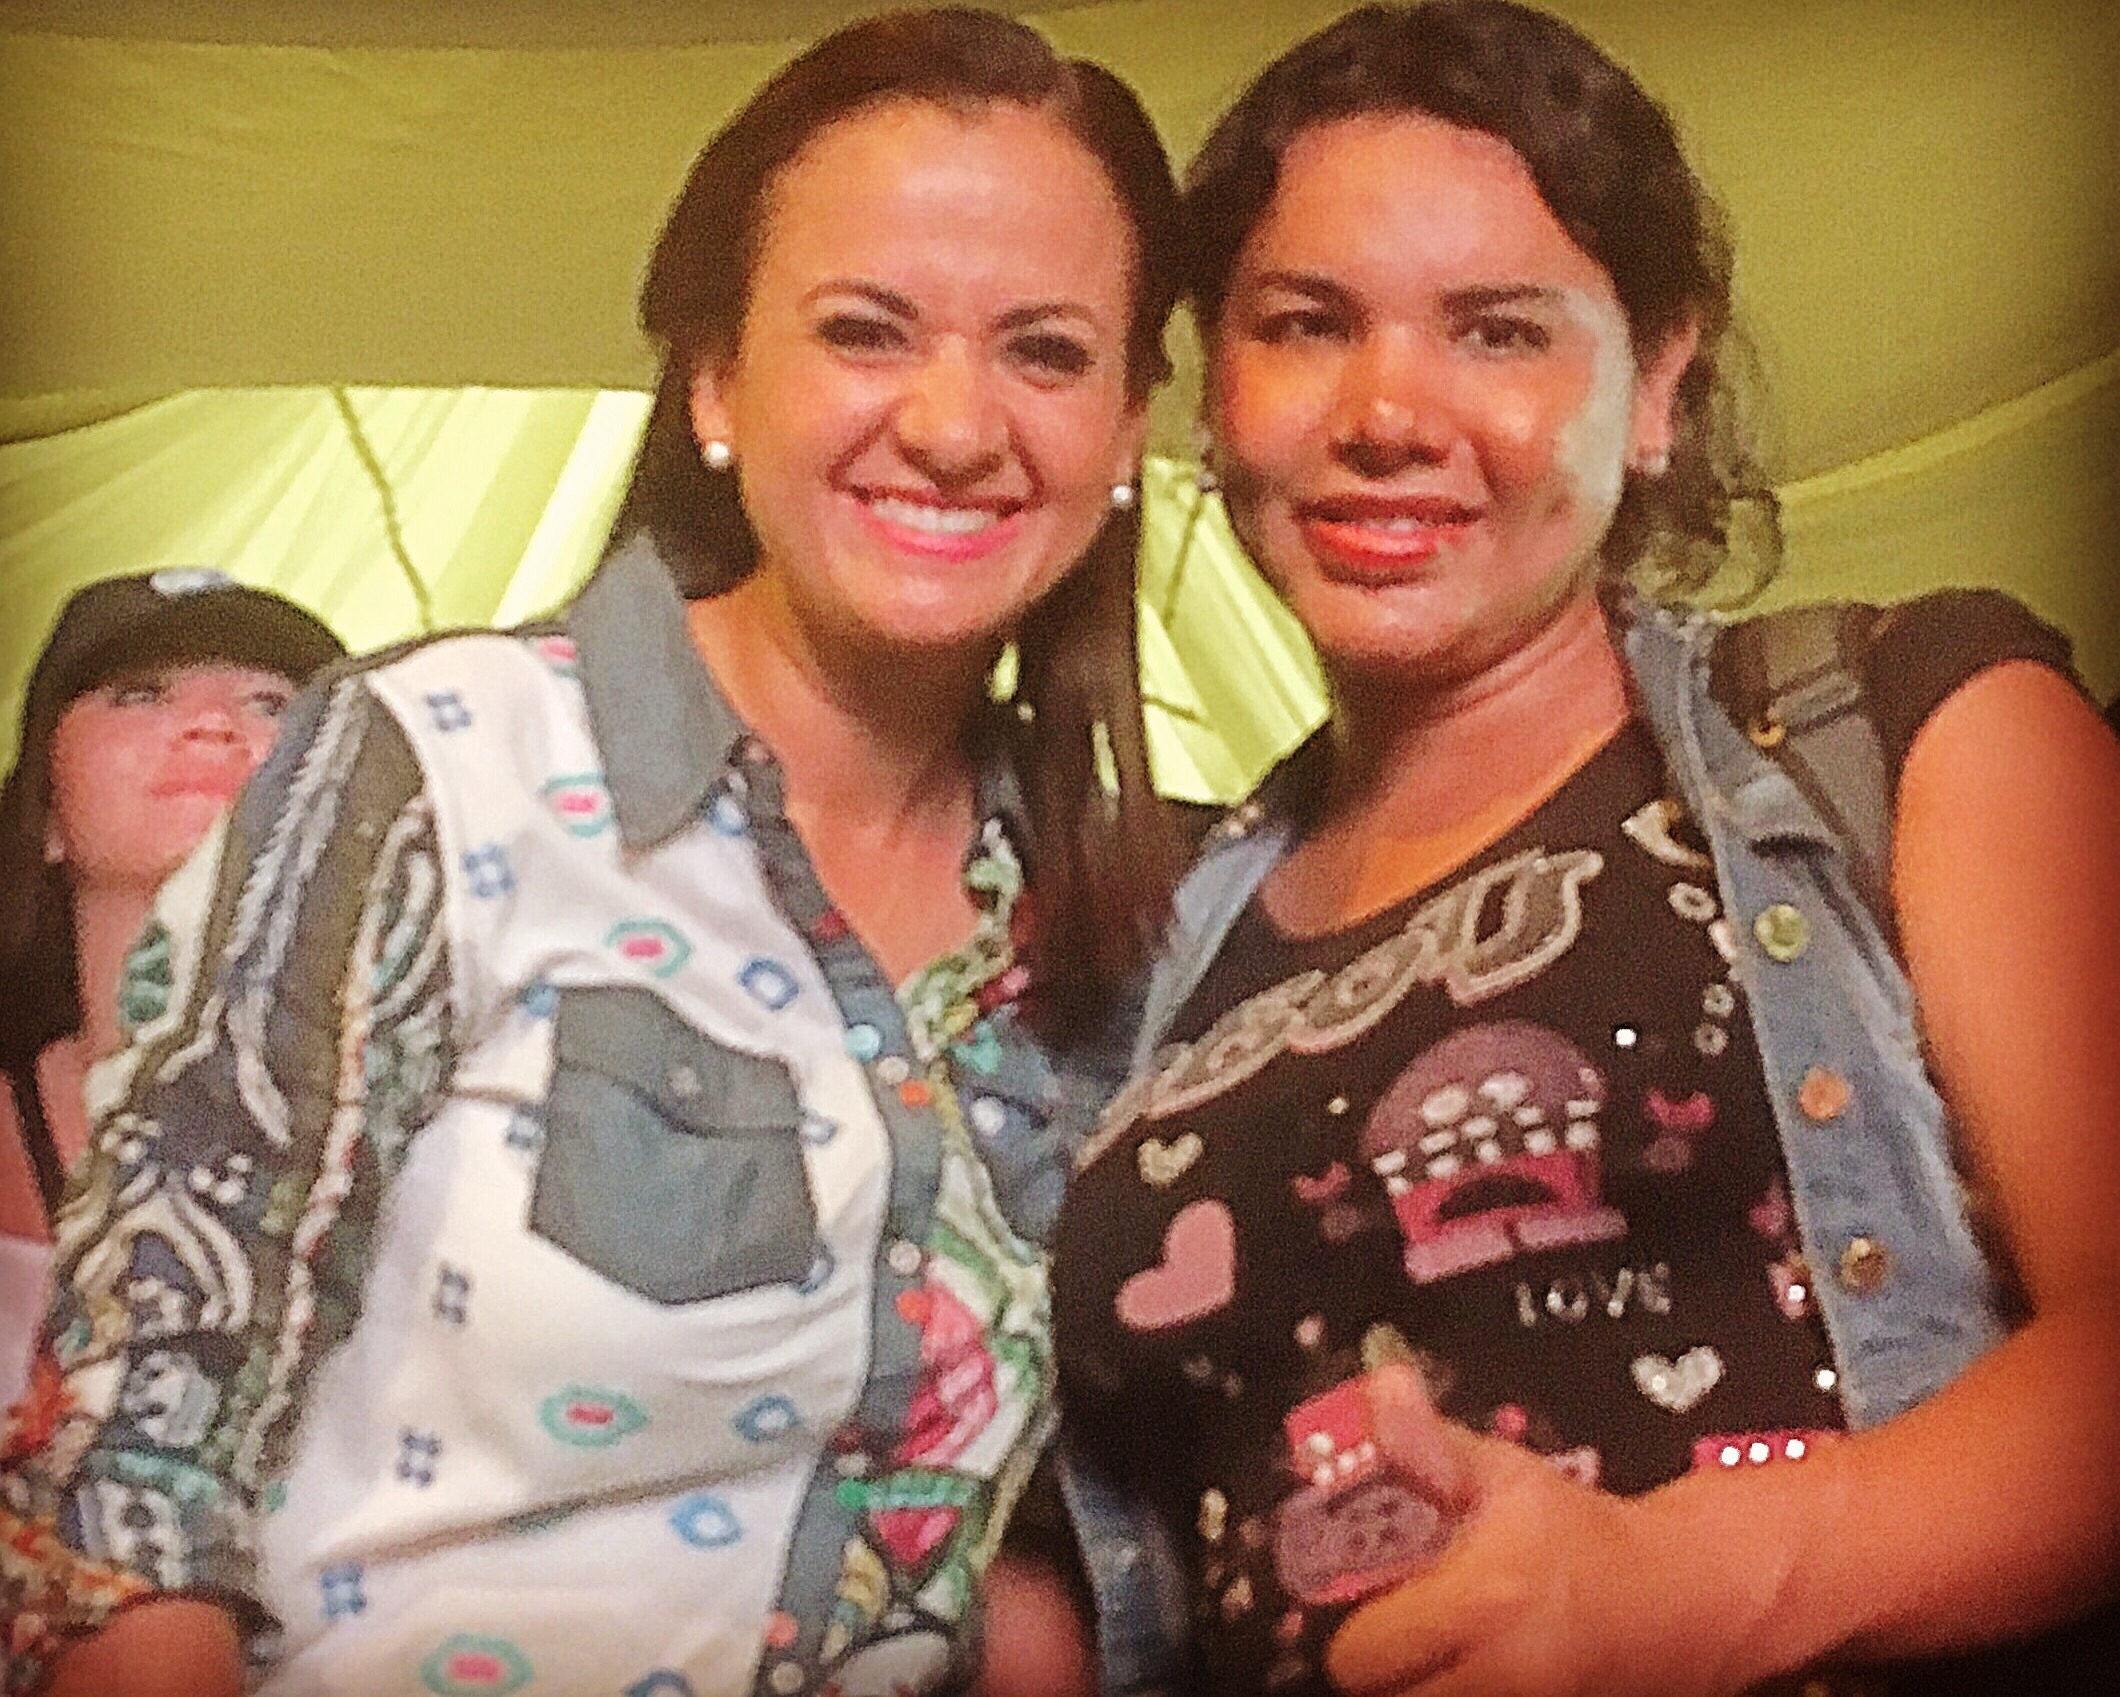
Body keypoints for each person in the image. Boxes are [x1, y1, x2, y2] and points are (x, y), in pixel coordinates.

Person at [0, 11, 1183, 1695]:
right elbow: (132, 1489)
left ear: (1131, 425)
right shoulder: (433, 763)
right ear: (715, 380)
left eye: (1045, 353)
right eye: (864, 331)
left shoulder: (1131, 923)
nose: (951, 421)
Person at [1052, 4, 2119, 1694]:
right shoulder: (1145, 961)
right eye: (1307, 324)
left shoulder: (1900, 725)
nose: (1386, 411)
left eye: (1498, 331)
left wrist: (1687, 1585)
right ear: (1214, 389)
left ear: (1656, 387)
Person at [0, 570, 344, 1399]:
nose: (214, 723)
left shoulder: (435, 1121)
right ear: (45, 816)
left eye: (270, 703)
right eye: (140, 693)